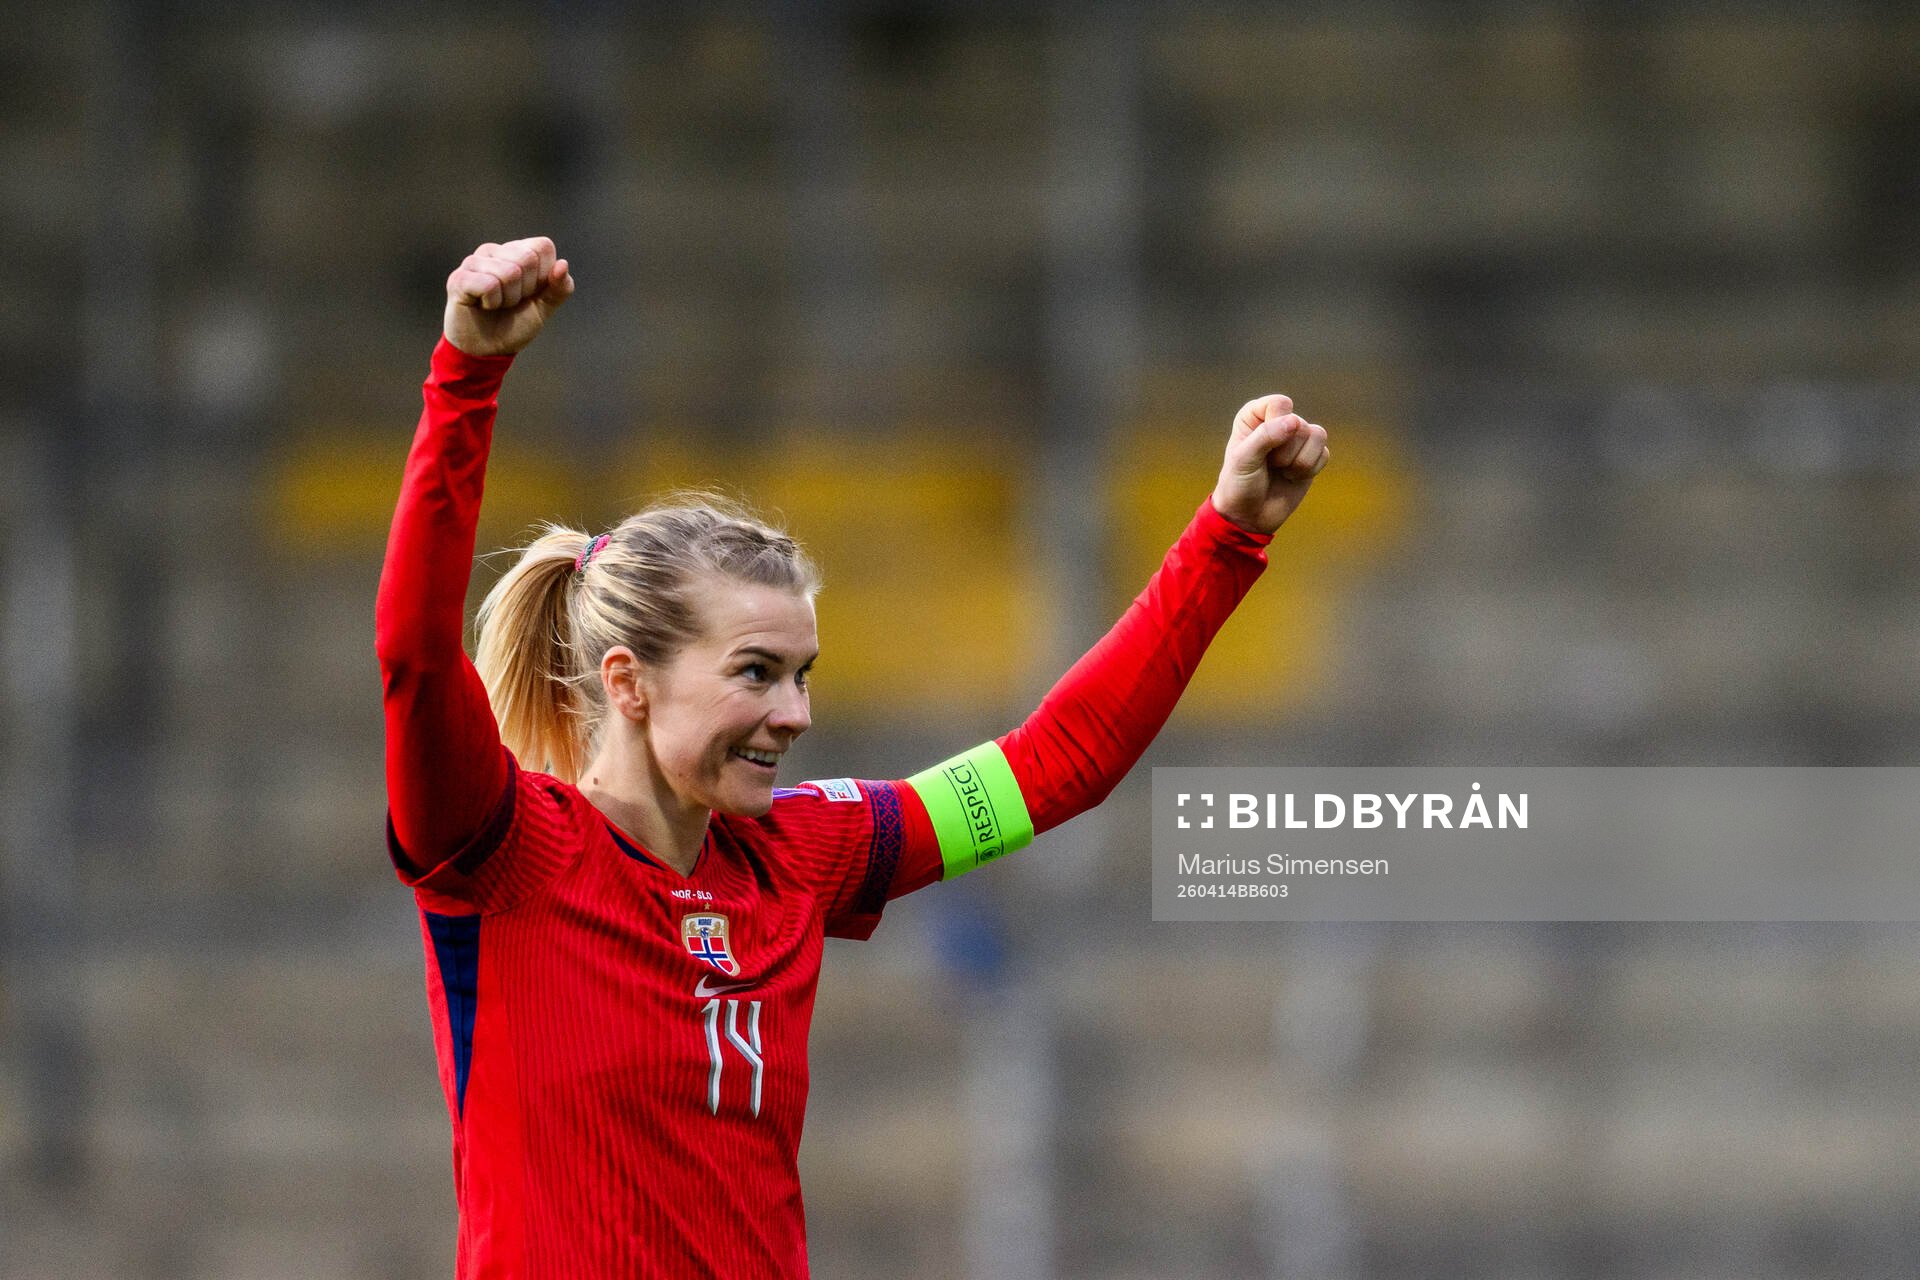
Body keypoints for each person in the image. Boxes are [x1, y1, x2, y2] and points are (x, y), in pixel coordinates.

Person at [375, 235, 1329, 1277]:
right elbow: (415, 654)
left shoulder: (804, 852)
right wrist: (467, 375)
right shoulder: (502, 851)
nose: (794, 713)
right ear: (628, 683)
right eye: (755, 672)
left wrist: (1228, 534)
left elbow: (1055, 765)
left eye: (803, 673)